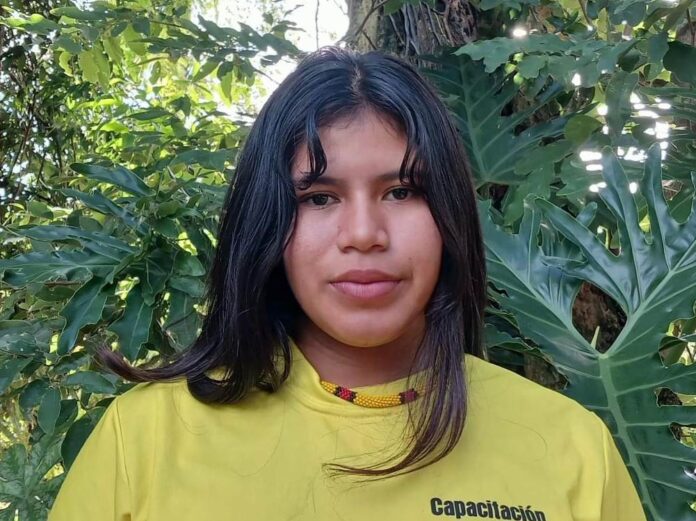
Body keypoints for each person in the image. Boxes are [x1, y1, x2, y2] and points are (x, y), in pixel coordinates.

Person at [48, 46, 646, 521]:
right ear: (267, 221)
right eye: (319, 197)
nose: (364, 234)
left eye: (402, 191)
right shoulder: (144, 439)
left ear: (450, 214)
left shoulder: (572, 448)